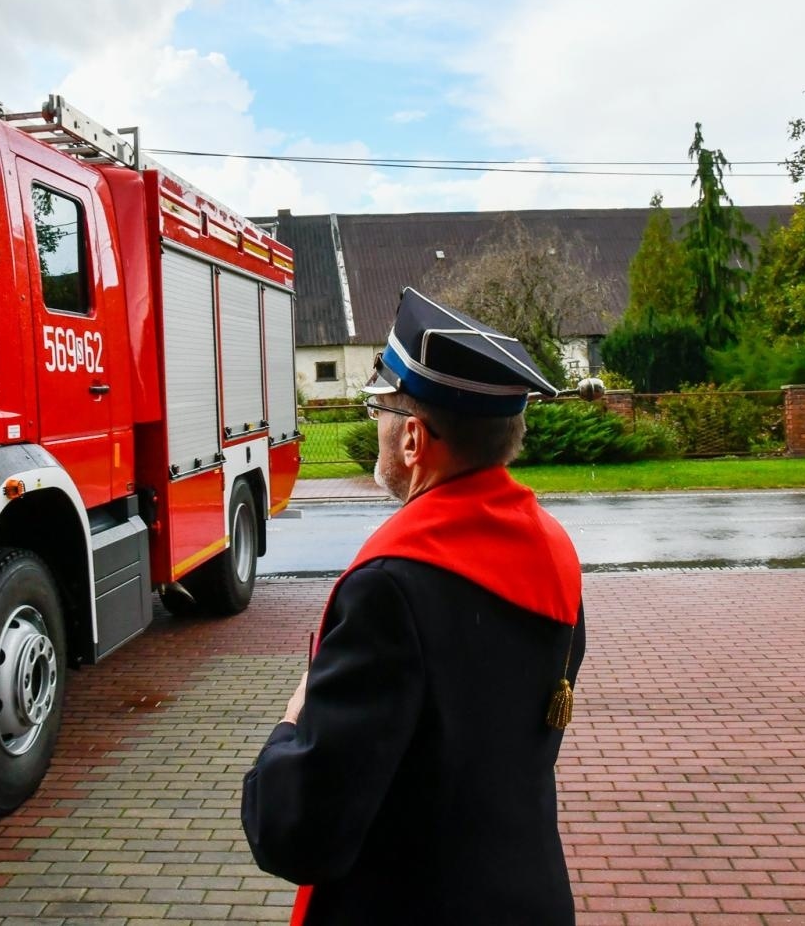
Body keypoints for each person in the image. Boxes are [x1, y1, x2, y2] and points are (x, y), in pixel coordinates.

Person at [242, 287, 587, 925]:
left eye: (380, 407)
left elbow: (301, 832)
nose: (373, 421)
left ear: (412, 440)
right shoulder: (554, 554)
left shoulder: (389, 590)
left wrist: (292, 722)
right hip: (528, 895)